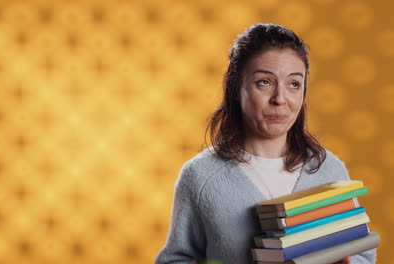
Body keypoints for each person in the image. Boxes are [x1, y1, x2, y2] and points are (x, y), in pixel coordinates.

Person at [155, 23, 376, 264]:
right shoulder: (200, 177)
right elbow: (174, 260)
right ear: (236, 87)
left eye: (294, 84)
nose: (280, 99)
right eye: (264, 82)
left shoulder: (329, 170)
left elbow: (363, 255)